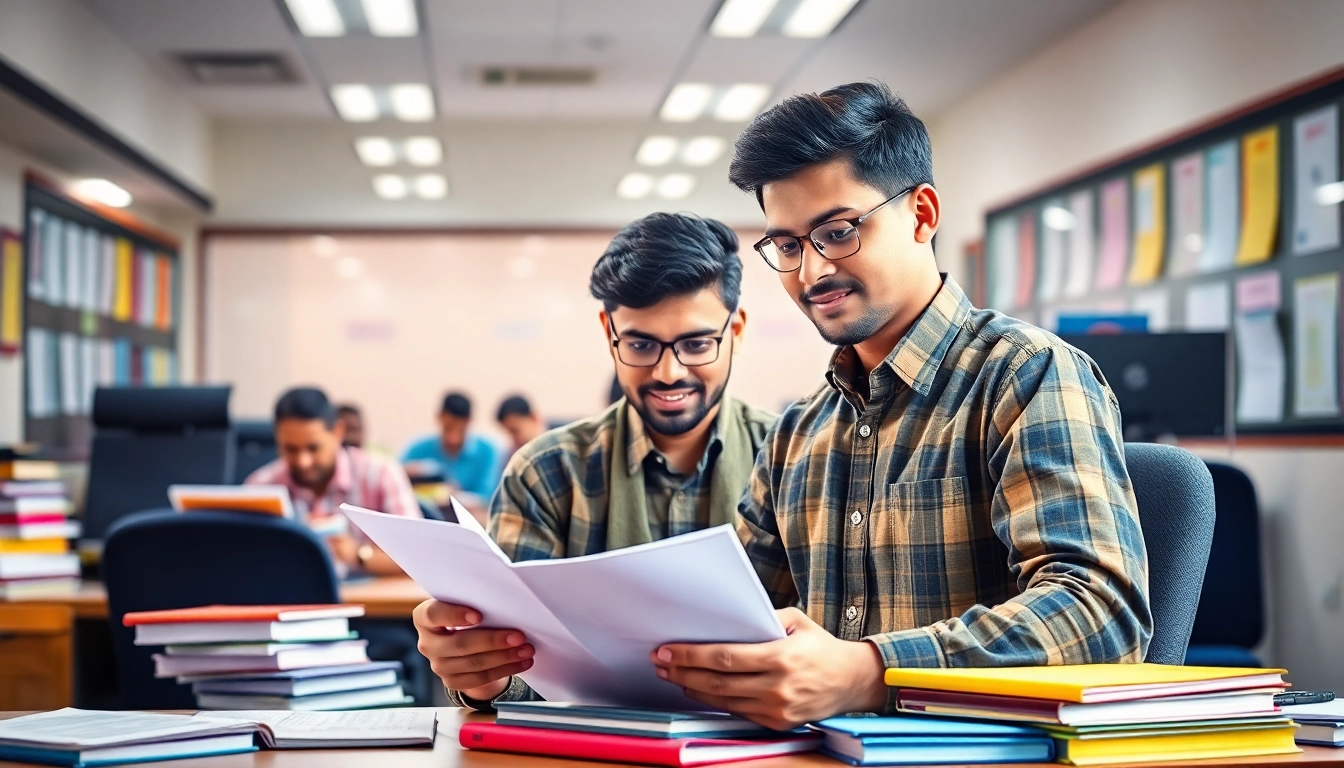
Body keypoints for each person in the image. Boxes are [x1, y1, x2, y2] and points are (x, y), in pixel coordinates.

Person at [644, 82, 1153, 729]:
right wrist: (516, 664)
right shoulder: (800, 431)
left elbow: (1102, 613)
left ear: (922, 214)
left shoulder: (1026, 376)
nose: (811, 273)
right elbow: (723, 620)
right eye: (790, 246)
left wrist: (869, 671)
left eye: (836, 231)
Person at [413, 212, 778, 710]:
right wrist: (484, 675)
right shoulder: (544, 472)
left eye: (696, 344)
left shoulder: (794, 459)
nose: (669, 372)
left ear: (735, 330)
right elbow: (521, 681)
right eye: (641, 344)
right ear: (609, 331)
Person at [245, 387, 421, 577]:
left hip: (371, 603)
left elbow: (419, 555)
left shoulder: (381, 475)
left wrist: (357, 554)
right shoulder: (260, 487)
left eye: (313, 448)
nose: (303, 461)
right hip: (288, 600)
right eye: (290, 449)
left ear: (338, 432)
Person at [401, 392, 502, 499]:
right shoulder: (417, 448)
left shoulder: (488, 451)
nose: (453, 438)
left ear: (470, 421)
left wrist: (455, 495)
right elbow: (396, 483)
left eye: (461, 431)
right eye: (448, 429)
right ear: (439, 417)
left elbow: (487, 496)